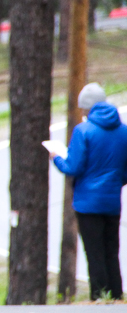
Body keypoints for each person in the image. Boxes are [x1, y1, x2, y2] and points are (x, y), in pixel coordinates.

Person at [51, 83, 127, 301]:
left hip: (87, 203)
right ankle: (116, 295)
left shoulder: (83, 131)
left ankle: (99, 296)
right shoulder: (123, 131)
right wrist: (114, 183)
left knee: (94, 253)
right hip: (112, 202)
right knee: (111, 251)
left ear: (87, 107)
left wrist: (56, 157)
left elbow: (73, 167)